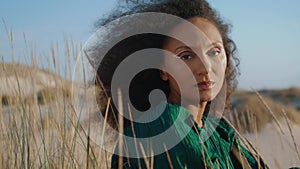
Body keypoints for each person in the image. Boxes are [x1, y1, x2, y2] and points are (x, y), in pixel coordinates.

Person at [85, 0, 269, 168]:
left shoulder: (218, 130)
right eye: (186, 56)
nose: (205, 67)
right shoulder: (163, 125)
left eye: (214, 52)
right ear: (162, 69)